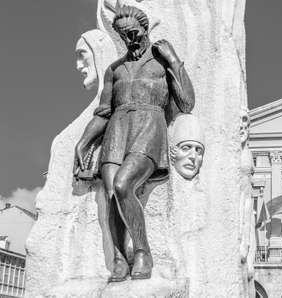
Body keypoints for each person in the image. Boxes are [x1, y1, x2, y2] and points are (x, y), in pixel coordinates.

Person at [74, 6, 195, 282]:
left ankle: (143, 252)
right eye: (124, 35)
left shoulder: (160, 62)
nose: (131, 39)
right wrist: (84, 141)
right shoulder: (114, 70)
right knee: (109, 194)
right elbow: (103, 112)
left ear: (145, 29)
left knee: (122, 185)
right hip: (116, 129)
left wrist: (175, 61)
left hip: (149, 126)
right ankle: (118, 257)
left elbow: (187, 102)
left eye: (134, 33)